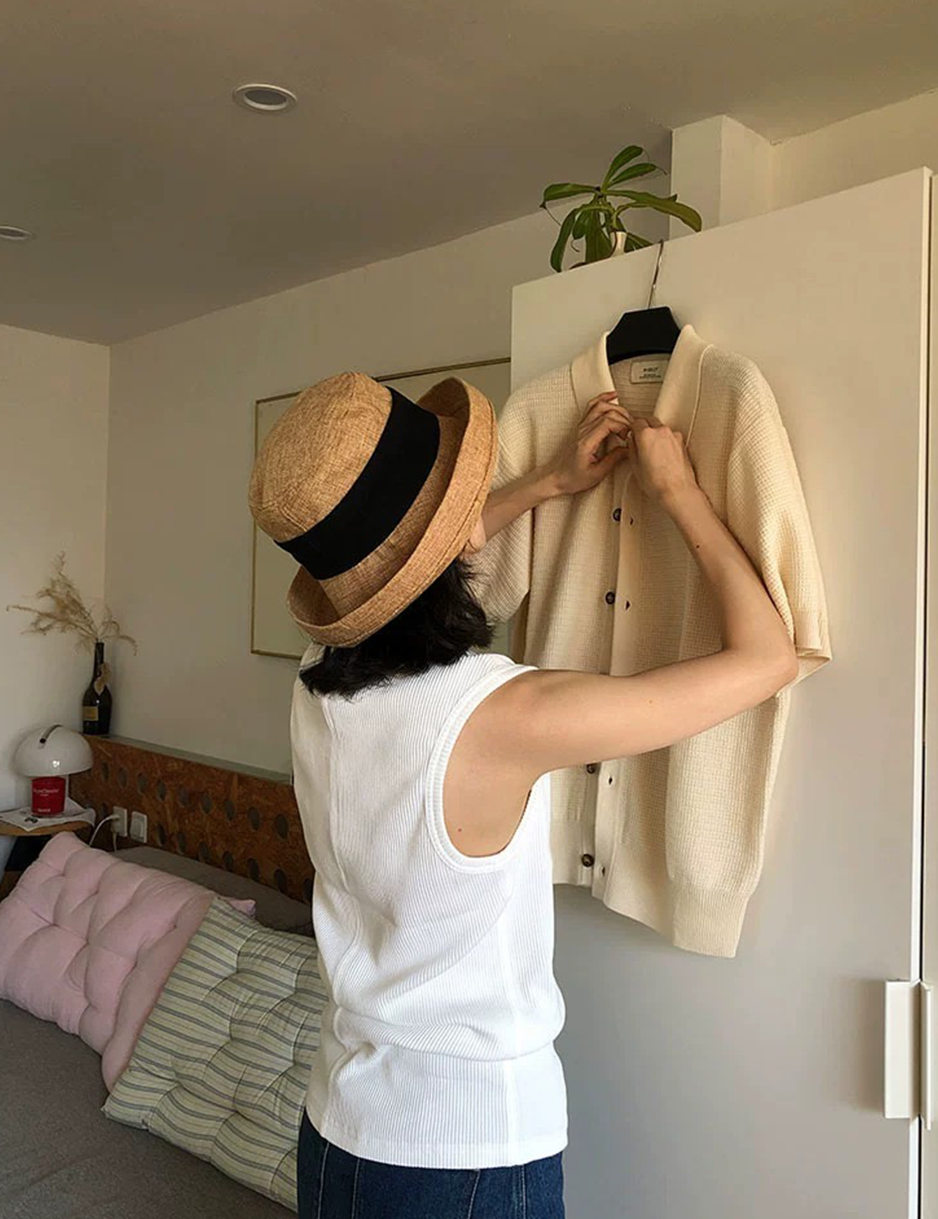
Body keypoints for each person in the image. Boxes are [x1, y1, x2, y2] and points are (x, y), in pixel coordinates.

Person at [248, 371, 796, 1219]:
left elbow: (426, 561)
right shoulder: (503, 717)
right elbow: (767, 661)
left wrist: (546, 485)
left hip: (340, 1124)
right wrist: (679, 491)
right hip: (465, 1157)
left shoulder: (319, 676)